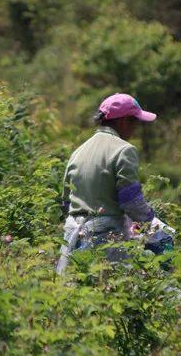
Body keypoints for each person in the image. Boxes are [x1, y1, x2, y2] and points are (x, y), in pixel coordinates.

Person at [57, 93, 168, 273]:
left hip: (72, 239)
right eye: (135, 123)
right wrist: (153, 225)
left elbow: (66, 203)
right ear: (124, 121)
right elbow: (131, 202)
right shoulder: (124, 150)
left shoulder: (77, 152)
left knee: (76, 292)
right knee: (109, 293)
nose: (135, 129)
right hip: (105, 241)